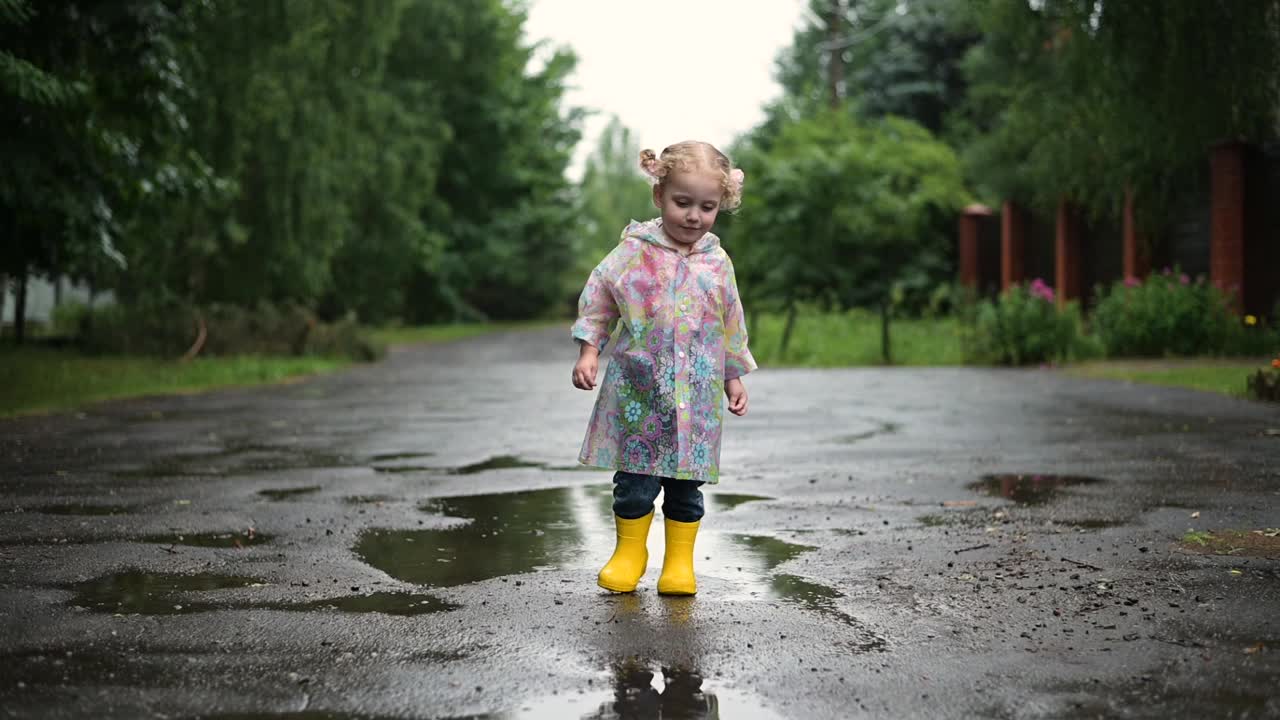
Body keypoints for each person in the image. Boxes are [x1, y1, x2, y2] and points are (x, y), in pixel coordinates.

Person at [570, 141, 756, 595]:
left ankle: (679, 563)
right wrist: (589, 349)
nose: (694, 216)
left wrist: (732, 376)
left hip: (697, 398)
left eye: (707, 207)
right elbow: (600, 298)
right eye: (682, 202)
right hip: (640, 392)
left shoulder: (716, 262)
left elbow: (730, 322)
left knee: (685, 490)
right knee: (634, 482)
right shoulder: (635, 252)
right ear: (659, 196)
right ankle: (630, 553)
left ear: (720, 206)